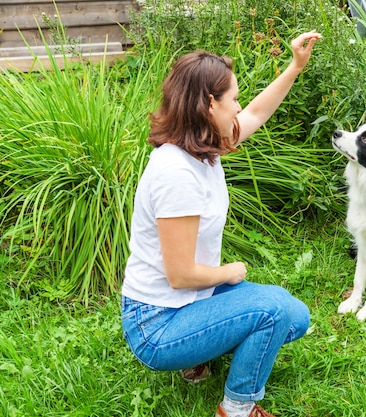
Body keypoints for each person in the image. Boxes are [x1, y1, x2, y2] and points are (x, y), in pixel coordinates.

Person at [120, 30, 322, 417]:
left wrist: (295, 67)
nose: (239, 106)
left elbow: (257, 113)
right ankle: (237, 408)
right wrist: (230, 271)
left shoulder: (204, 145)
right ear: (209, 104)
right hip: (157, 324)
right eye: (233, 98)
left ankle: (203, 348)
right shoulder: (175, 173)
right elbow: (179, 275)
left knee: (296, 317)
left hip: (191, 302)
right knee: (274, 310)